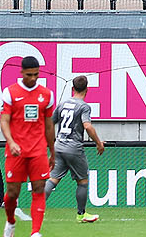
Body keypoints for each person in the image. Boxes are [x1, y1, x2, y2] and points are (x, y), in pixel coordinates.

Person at [0, 55, 53, 237]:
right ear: (21, 72)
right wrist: (11, 141)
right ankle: (11, 221)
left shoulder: (46, 94)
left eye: (36, 75)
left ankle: (35, 232)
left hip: (38, 150)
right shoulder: (10, 92)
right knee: (12, 193)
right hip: (17, 150)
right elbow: (4, 121)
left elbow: (48, 125)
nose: (33, 78)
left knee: (39, 188)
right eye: (29, 74)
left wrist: (52, 151)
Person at [44, 75, 104, 224]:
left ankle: (37, 208)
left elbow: (50, 123)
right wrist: (98, 143)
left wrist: (51, 142)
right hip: (73, 148)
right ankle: (81, 214)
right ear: (87, 90)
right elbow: (87, 126)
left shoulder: (63, 103)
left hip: (59, 145)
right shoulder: (84, 107)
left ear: (72, 88)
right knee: (82, 181)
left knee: (53, 178)